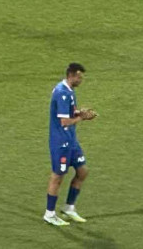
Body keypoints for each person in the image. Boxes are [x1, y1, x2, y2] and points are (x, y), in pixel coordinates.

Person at [44, 63, 95, 227]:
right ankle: (49, 214)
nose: (81, 80)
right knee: (57, 177)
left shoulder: (69, 90)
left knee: (82, 171)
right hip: (61, 142)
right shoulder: (62, 92)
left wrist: (80, 112)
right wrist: (82, 118)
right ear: (71, 75)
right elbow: (64, 121)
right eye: (79, 77)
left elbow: (68, 112)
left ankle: (69, 207)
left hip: (71, 141)